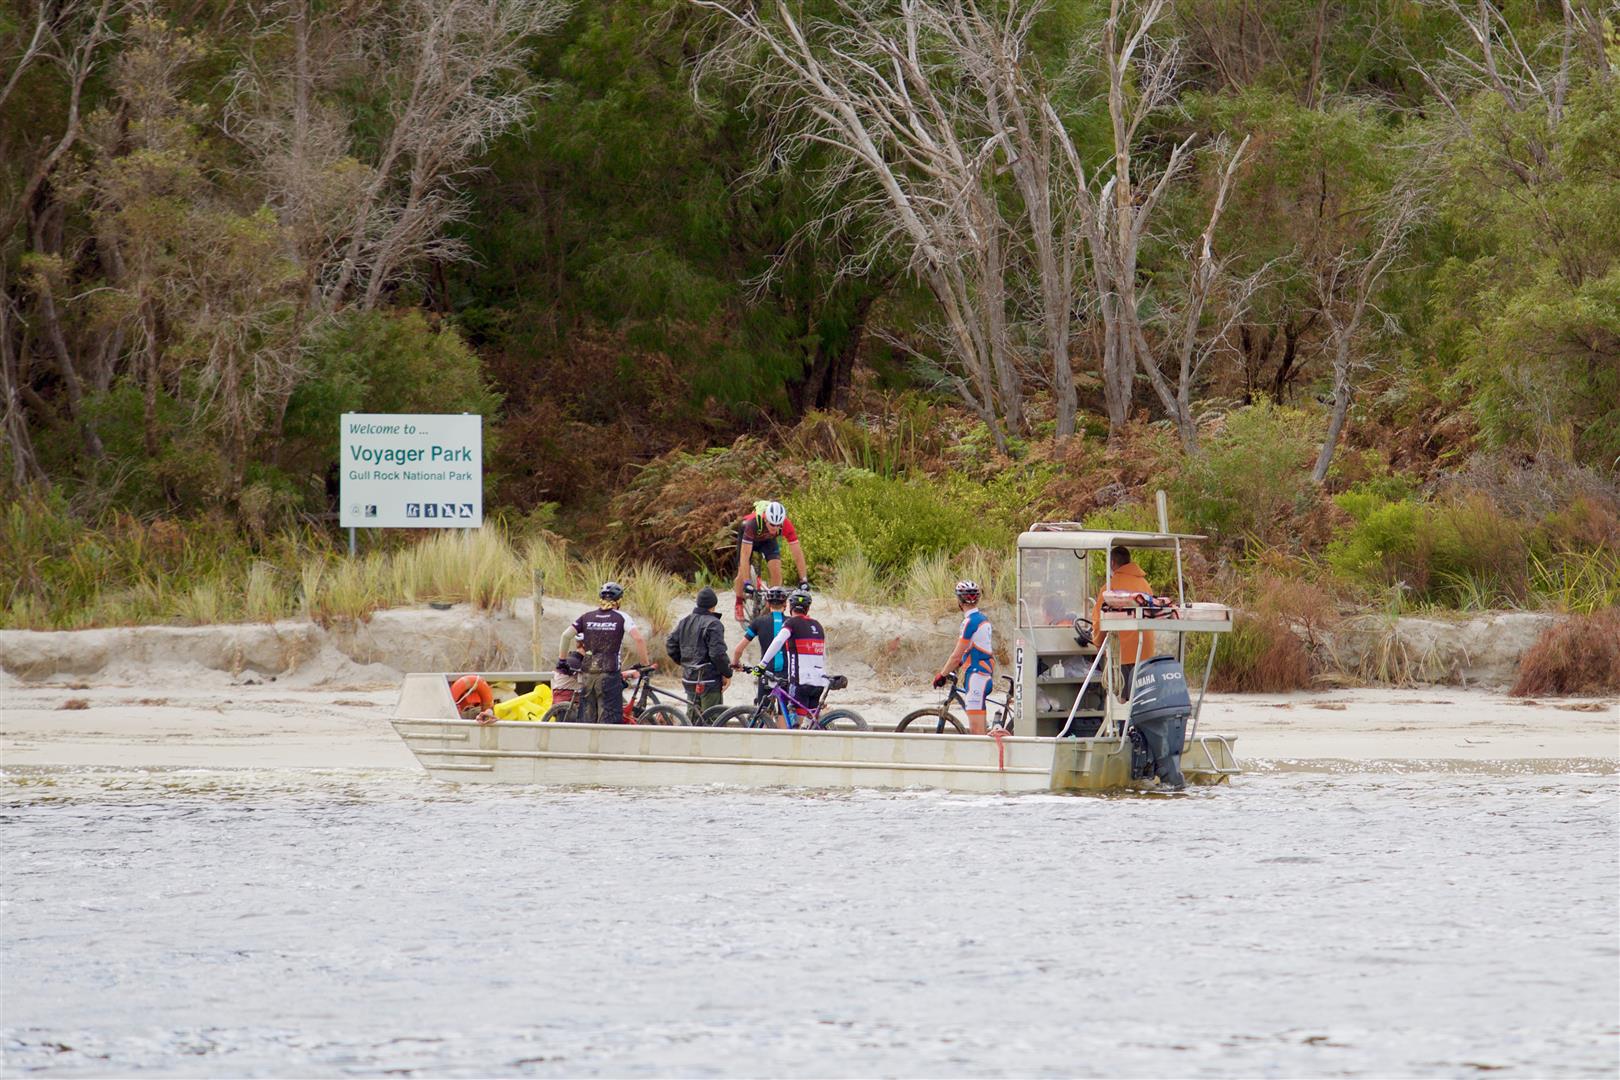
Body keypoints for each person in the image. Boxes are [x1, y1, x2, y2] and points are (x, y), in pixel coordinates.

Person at [570, 581, 650, 724]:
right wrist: (645, 664)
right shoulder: (621, 617)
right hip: (609, 673)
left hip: (588, 673)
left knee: (587, 720)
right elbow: (639, 639)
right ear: (619, 601)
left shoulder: (587, 616)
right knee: (609, 721)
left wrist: (562, 660)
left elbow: (566, 635)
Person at [754, 588, 828, 728]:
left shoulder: (791, 623)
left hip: (800, 682)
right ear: (808, 608)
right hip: (819, 682)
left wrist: (762, 665)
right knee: (811, 722)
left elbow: (777, 642)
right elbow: (822, 655)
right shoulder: (818, 625)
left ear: (790, 607)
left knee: (794, 727)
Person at [1092, 545, 1156, 699]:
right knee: (1141, 697)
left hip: (1123, 653)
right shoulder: (1145, 584)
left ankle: (1121, 724)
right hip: (1145, 651)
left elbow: (1100, 620)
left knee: (1121, 698)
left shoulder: (1110, 586)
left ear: (1113, 563)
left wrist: (1097, 642)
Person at [933, 580, 994, 735]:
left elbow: (956, 656)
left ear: (959, 601)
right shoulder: (982, 619)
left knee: (976, 732)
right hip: (982, 674)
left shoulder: (969, 622)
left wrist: (942, 675)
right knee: (981, 731)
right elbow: (972, 651)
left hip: (976, 677)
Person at [733, 499, 809, 622]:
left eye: (778, 525)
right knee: (742, 573)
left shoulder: (785, 524)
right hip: (749, 538)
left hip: (768, 540)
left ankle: (770, 605)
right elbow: (745, 556)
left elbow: (797, 554)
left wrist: (803, 579)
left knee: (777, 573)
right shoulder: (752, 524)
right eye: (772, 524)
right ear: (765, 519)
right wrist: (747, 582)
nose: (775, 528)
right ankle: (738, 603)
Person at [666, 586, 732, 721]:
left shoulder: (685, 621)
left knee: (692, 720)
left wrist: (685, 662)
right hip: (709, 679)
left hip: (689, 678)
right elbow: (717, 654)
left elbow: (670, 645)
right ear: (714, 606)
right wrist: (727, 672)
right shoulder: (714, 623)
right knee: (713, 721)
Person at [732, 585, 790, 702]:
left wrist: (735, 663)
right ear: (785, 604)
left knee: (764, 712)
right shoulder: (791, 623)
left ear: (768, 604)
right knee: (783, 713)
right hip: (786, 673)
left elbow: (739, 649)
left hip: (766, 671)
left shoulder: (759, 622)